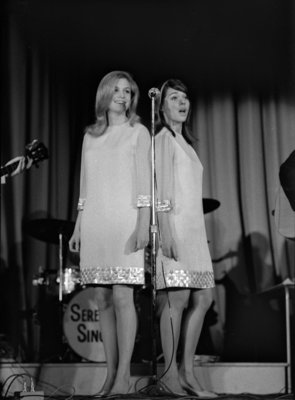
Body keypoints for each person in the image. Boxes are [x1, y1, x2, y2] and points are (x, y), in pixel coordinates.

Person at [69, 71, 151, 395]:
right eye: (117, 90)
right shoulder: (90, 136)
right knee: (102, 298)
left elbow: (145, 183)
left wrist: (143, 224)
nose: (123, 96)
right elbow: (84, 186)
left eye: (128, 91)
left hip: (125, 221)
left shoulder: (138, 132)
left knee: (122, 295)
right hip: (95, 223)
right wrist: (78, 225)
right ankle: (109, 374)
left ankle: (124, 378)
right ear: (105, 93)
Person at [155, 79, 216, 397]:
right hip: (174, 229)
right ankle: (170, 377)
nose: (182, 102)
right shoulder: (164, 139)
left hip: (195, 231)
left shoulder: (185, 142)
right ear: (162, 105)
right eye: (174, 98)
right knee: (175, 300)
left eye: (185, 98)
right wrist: (166, 233)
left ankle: (187, 372)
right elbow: (161, 191)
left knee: (204, 298)